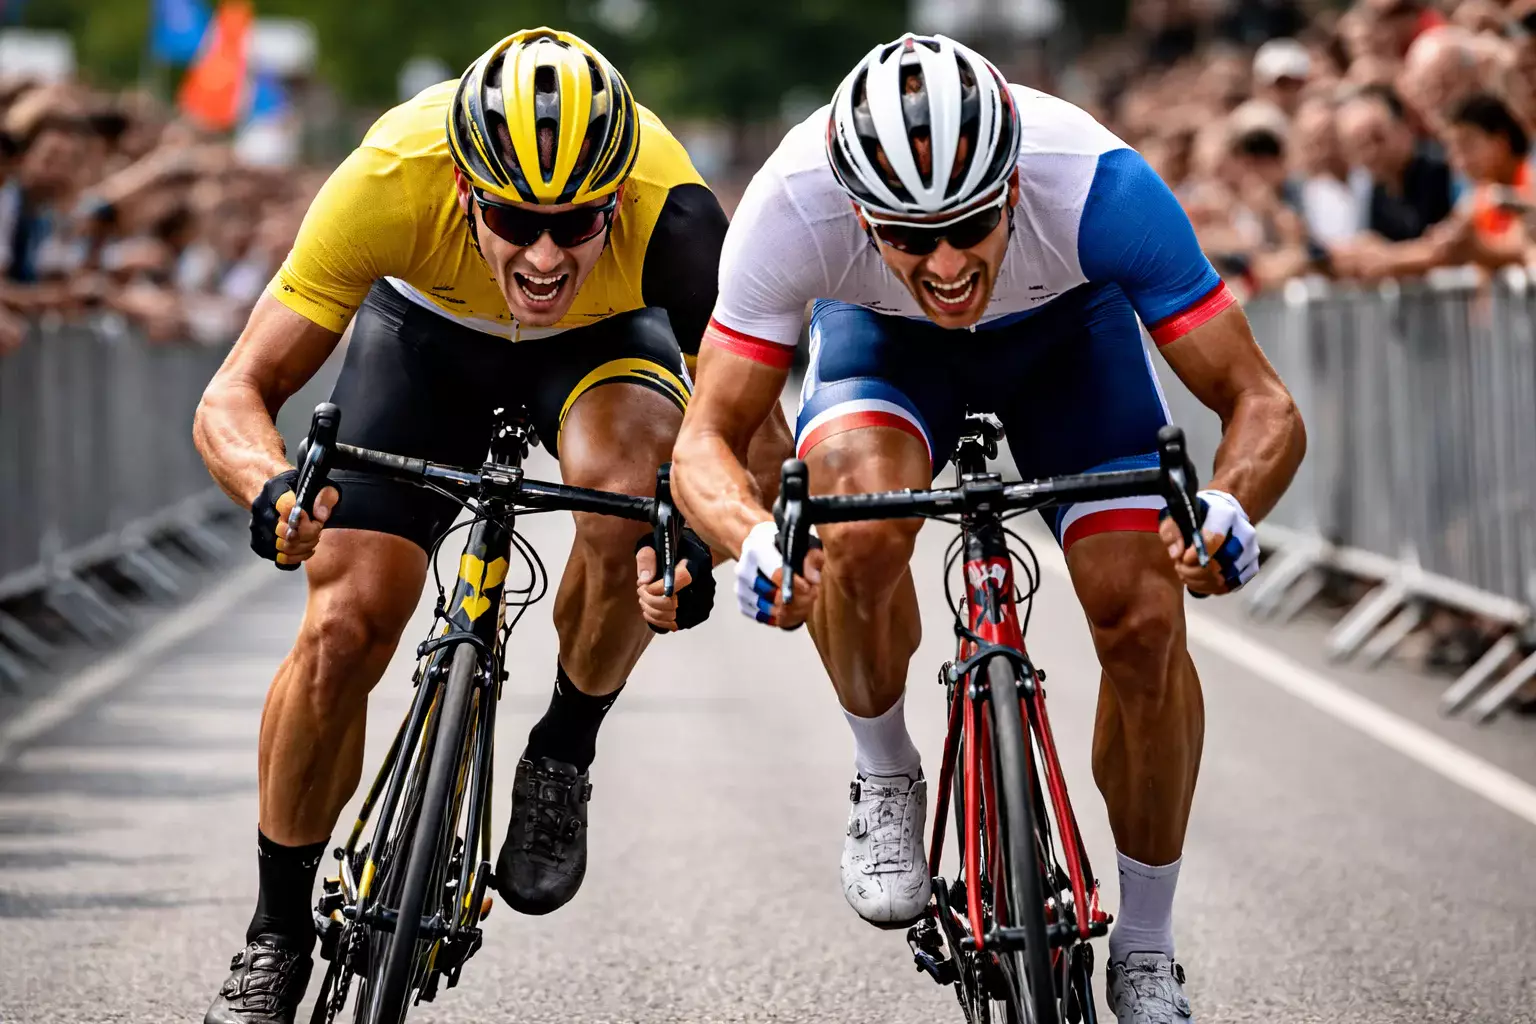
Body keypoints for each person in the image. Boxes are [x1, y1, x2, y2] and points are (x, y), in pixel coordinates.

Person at [673, 32, 1305, 1024]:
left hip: (1070, 345)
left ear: (1013, 187)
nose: (948, 261)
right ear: (857, 212)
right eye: (909, 238)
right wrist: (754, 538)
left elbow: (1263, 404)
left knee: (1141, 615)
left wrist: (1226, 508)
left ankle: (1144, 948)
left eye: (970, 224)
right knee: (856, 524)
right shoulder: (793, 203)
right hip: (886, 352)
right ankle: (885, 772)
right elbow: (705, 436)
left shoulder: (1098, 185)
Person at [192, 28, 790, 1024]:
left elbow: (755, 434)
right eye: (516, 220)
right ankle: (276, 933)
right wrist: (269, 490)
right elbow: (235, 392)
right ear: (466, 191)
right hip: (425, 337)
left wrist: (692, 545)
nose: (545, 254)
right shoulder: (389, 174)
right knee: (344, 624)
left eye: (576, 224)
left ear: (617, 201)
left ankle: (564, 745)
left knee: (626, 492)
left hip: (602, 343)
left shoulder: (676, 216)